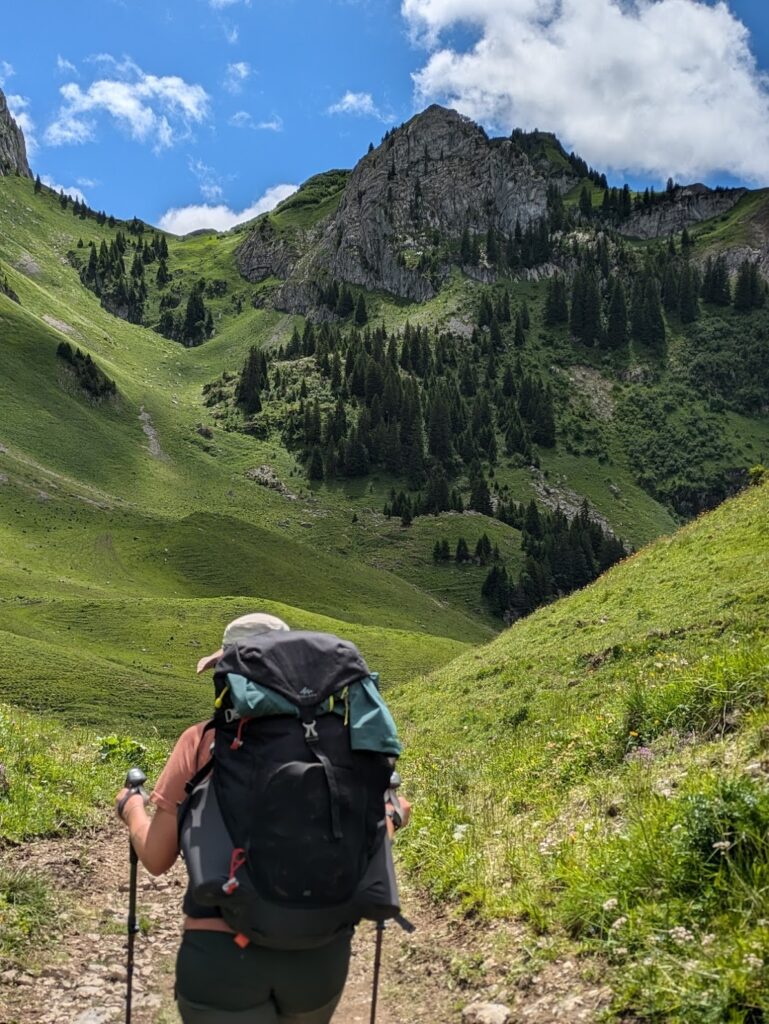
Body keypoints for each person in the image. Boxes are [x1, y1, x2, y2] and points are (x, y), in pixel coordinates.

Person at [115, 612, 411, 1024]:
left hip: (221, 958)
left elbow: (157, 857)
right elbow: (370, 832)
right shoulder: (344, 743)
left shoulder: (202, 742)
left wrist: (132, 809)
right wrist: (394, 815)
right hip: (319, 958)